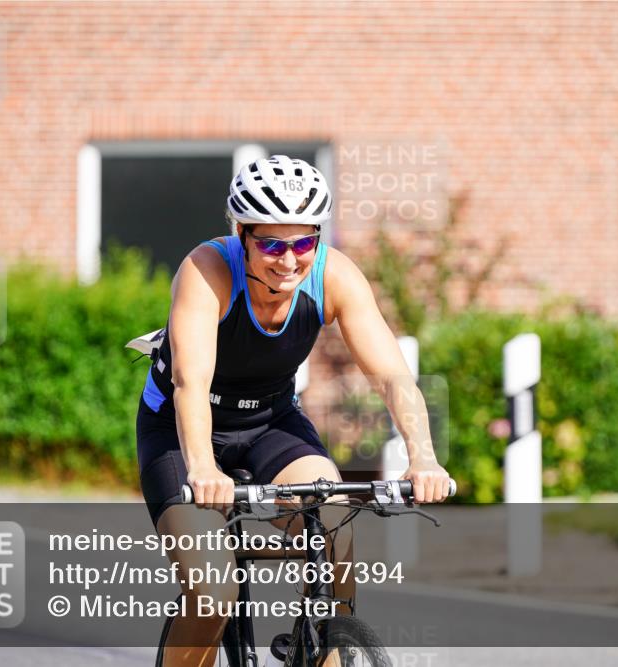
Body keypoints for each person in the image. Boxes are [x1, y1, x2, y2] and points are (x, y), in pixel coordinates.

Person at [135, 155, 450, 666]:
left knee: (333, 527)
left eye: (304, 242)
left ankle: (324, 648)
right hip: (182, 431)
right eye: (272, 244)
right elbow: (191, 385)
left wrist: (424, 457)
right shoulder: (206, 270)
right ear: (242, 233)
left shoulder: (335, 277)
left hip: (270, 422)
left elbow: (392, 377)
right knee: (214, 592)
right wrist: (202, 469)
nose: (289, 261)